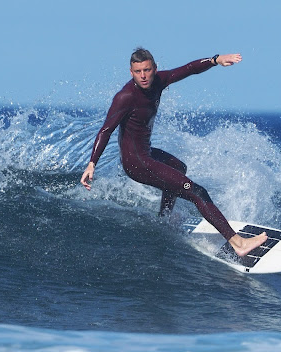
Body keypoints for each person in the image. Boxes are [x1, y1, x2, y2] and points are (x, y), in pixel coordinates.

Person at [80, 48, 267, 257]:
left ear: (154, 68)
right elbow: (106, 130)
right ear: (131, 72)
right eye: (137, 71)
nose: (143, 76)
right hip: (136, 164)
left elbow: (188, 69)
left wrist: (215, 60)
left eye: (147, 70)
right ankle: (238, 243)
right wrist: (92, 163)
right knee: (198, 192)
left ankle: (165, 218)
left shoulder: (159, 80)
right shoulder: (125, 97)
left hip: (146, 154)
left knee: (179, 167)